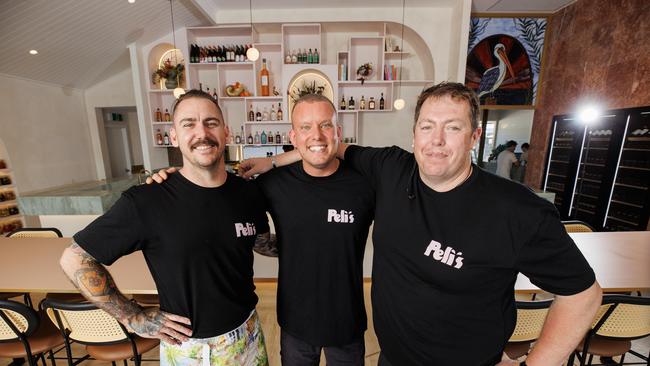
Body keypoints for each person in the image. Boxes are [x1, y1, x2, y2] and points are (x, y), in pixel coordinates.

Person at [240, 82, 602, 366]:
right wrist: (271, 161)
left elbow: (583, 295)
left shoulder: (516, 208)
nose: (437, 140)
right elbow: (324, 146)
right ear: (413, 135)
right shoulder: (391, 169)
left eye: (453, 127)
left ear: (474, 137)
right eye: (427, 127)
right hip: (391, 359)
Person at [151, 94, 375, 366]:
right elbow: (220, 192)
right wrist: (181, 178)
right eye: (305, 127)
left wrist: (276, 159)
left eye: (326, 125)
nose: (315, 134)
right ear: (293, 136)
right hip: (295, 324)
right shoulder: (272, 184)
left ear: (338, 132)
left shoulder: (365, 186)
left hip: (347, 322)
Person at [59, 90, 273, 366]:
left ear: (226, 132)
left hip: (249, 334)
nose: (202, 132)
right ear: (174, 137)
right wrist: (131, 315)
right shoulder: (147, 200)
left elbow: (258, 240)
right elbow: (74, 258)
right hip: (190, 348)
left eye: (211, 122)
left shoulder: (247, 193)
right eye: (189, 124)